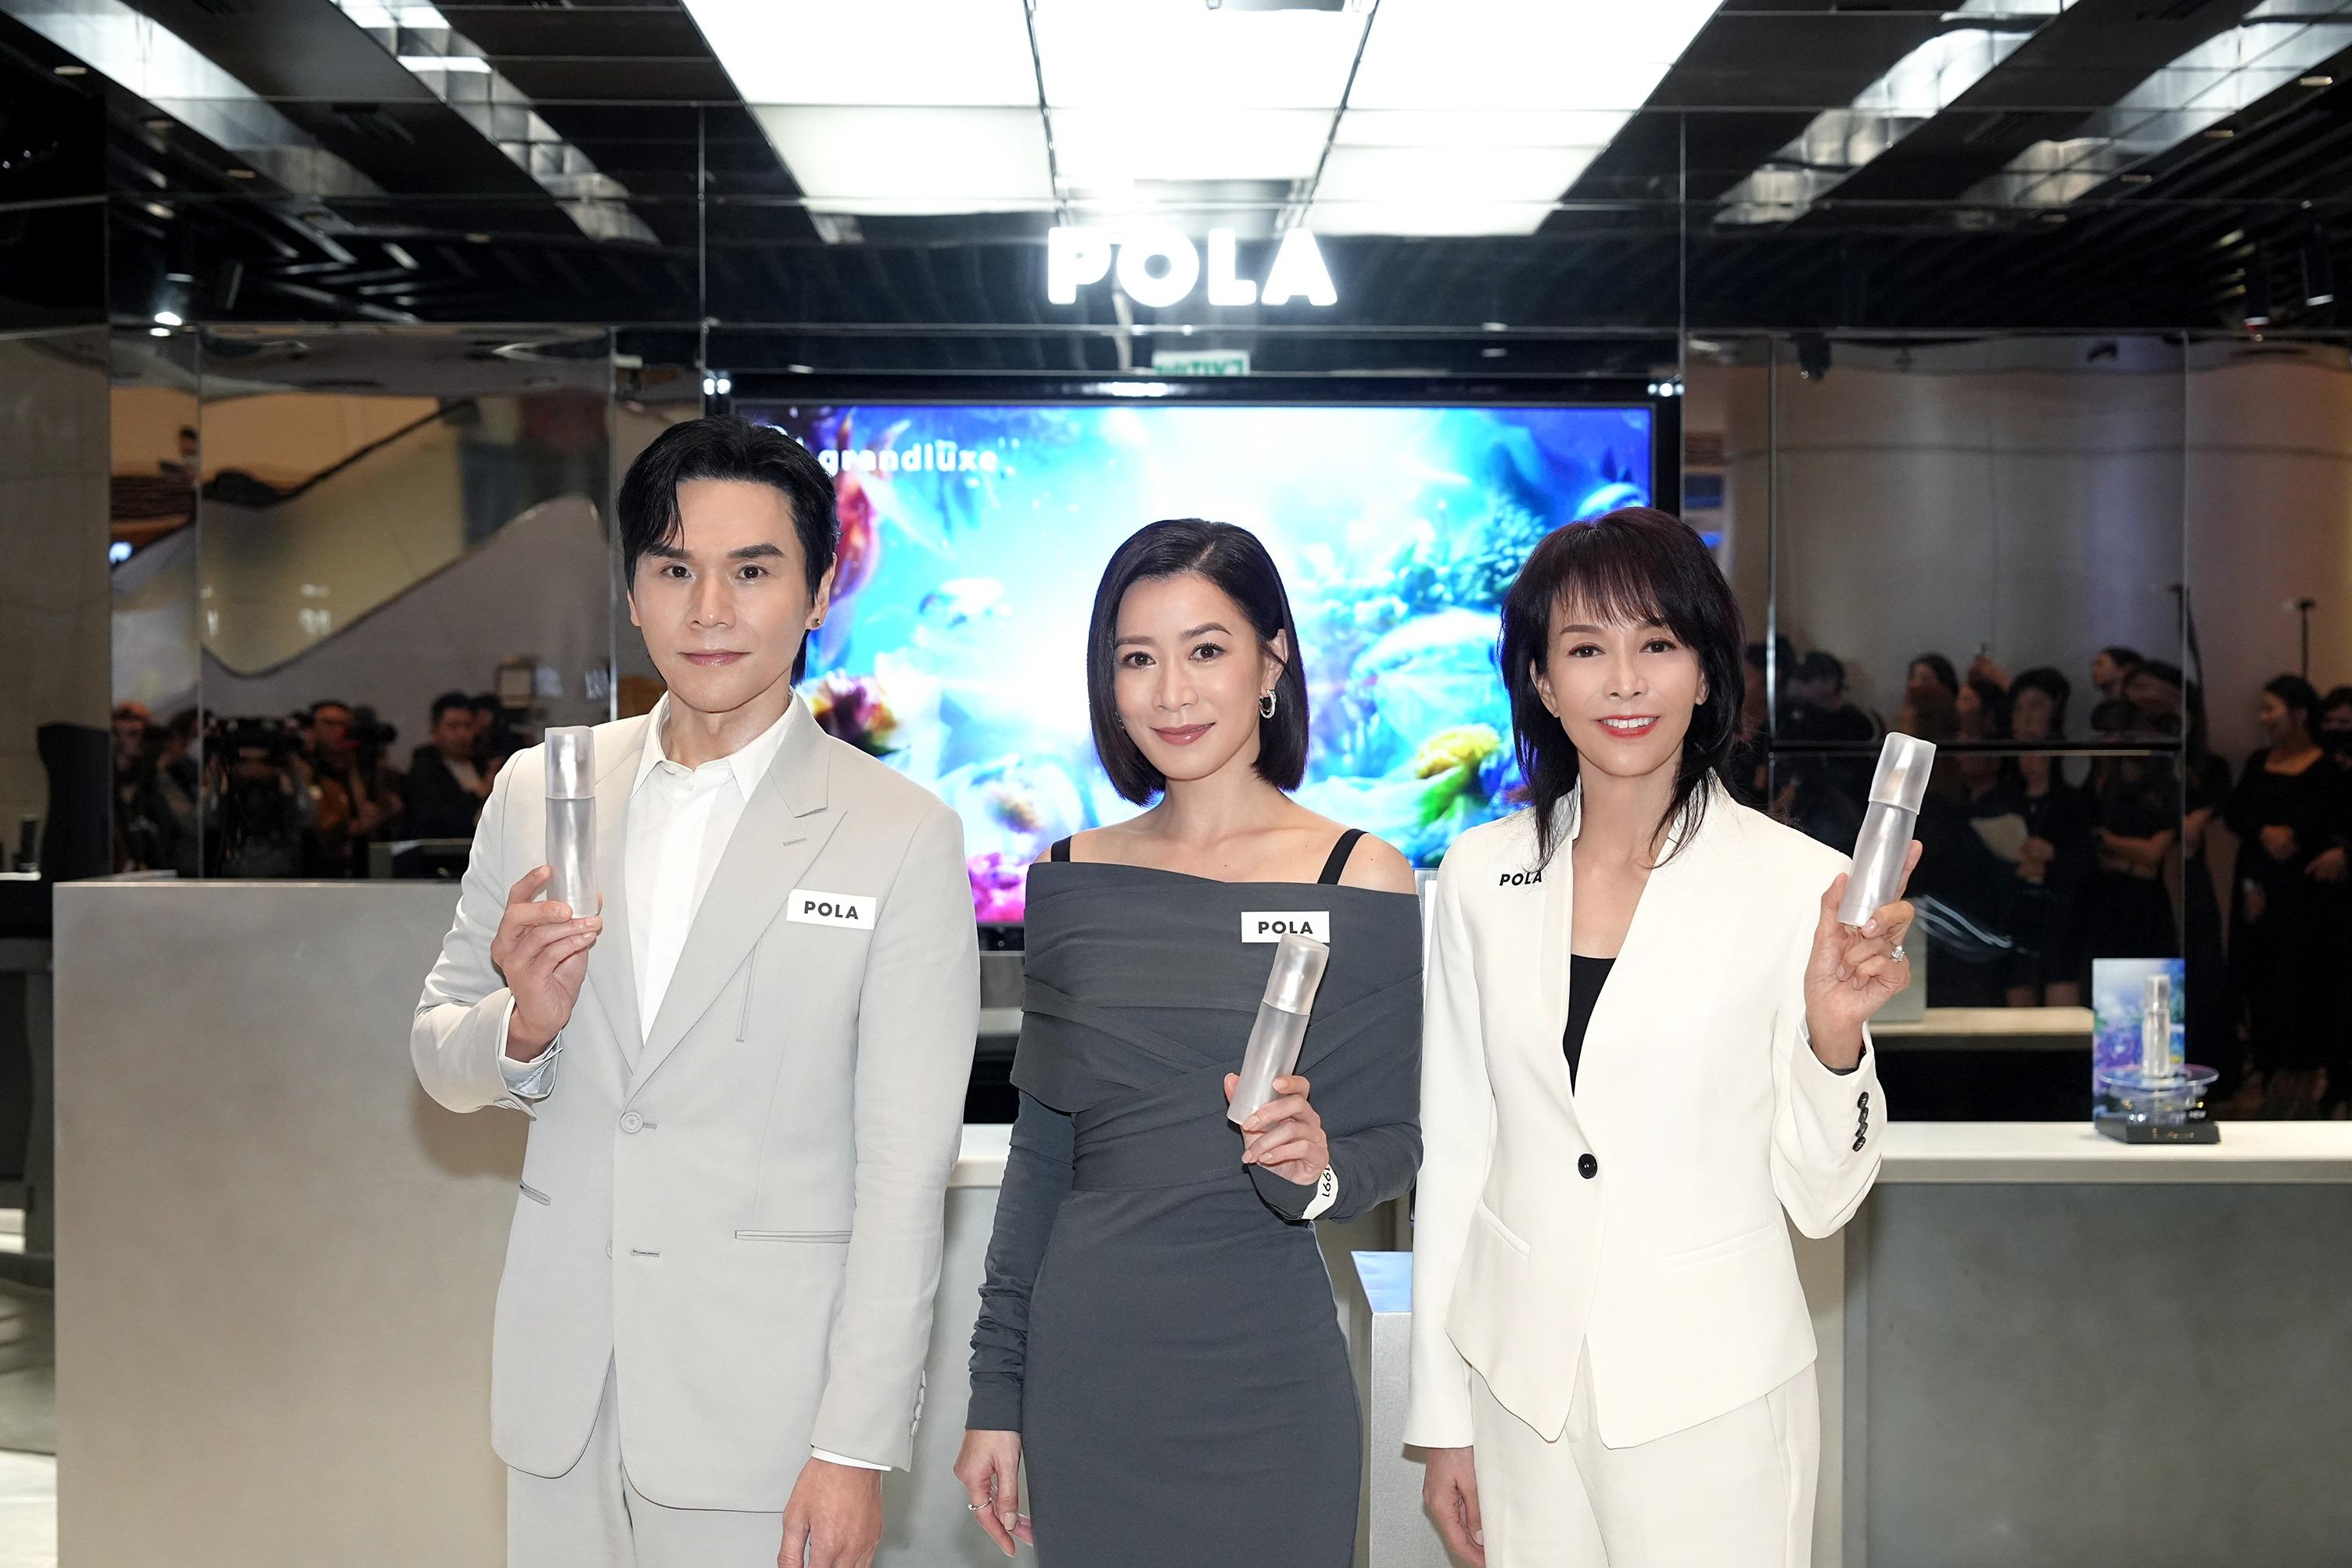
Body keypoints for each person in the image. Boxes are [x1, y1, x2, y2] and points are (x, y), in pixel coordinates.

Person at [413, 414, 980, 1568]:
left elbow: (902, 1175)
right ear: (632, 591)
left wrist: (854, 1445)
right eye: (674, 570)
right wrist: (522, 1026)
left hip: (768, 1416)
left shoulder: (900, 832)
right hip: (563, 1395)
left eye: (752, 571)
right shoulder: (540, 787)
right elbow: (437, 1051)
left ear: (819, 591)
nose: (708, 609)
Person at [1410, 508, 1904, 1568]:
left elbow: (1823, 1201)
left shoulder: (1798, 884)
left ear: (1705, 672)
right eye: (1585, 649)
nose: (1624, 682)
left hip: (1711, 1393)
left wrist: (1831, 1041)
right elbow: (1454, 1154)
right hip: (1518, 1389)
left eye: (1657, 643)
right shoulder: (1478, 876)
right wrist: (1442, 1418)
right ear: (1542, 682)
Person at [957, 518, 1424, 1567]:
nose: (1171, 692)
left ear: (1272, 659)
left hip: (1269, 1375)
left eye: (1205, 649)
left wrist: (1315, 1168)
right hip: (1089, 1370)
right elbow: (1041, 1160)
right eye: (1138, 658)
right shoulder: (1069, 874)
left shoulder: (1359, 874)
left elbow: (1392, 1141)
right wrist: (995, 1392)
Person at [2223, 675, 2344, 1117]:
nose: (2263, 718)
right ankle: (2268, 1081)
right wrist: (2264, 832)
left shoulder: (2328, 766)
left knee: (2302, 988)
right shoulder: (2259, 762)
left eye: (2270, 708)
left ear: (2299, 714)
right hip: (2256, 892)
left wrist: (2296, 836)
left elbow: (2332, 819)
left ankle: (2301, 1091)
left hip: (2307, 899)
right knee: (2259, 985)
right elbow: (2236, 812)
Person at [2002, 668, 2090, 1008]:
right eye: (2018, 710)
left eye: (2035, 707)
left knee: (2061, 1000)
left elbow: (2087, 864)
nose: (2024, 720)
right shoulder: (2006, 800)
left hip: (2064, 924)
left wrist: (2052, 857)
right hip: (2016, 921)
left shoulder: (2073, 803)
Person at [405, 691, 492, 838]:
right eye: (453, 727)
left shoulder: (482, 764)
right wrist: (478, 793)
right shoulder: (424, 770)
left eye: (467, 726)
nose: (462, 734)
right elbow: (434, 820)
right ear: (435, 731)